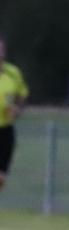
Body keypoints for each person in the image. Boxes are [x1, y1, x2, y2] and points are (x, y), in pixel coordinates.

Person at [0, 34, 29, 192]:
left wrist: (18, 110)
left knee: (1, 179)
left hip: (5, 130)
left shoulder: (13, 73)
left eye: (1, 50)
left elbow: (22, 96)